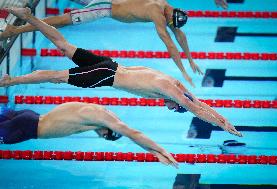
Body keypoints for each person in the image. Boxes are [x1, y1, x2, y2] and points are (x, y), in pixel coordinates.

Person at [0, 7, 242, 137]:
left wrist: (223, 118)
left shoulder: (173, 83)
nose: (169, 108)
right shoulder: (169, 91)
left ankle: (28, 18)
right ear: (175, 103)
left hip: (111, 64)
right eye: (174, 108)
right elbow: (195, 108)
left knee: (64, 46)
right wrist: (222, 125)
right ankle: (11, 81)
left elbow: (196, 101)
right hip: (106, 74)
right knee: (56, 77)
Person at [0, 0, 228, 86]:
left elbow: (179, 36)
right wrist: (184, 73)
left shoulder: (167, 9)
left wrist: (190, 61)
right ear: (170, 16)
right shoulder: (157, 12)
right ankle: (17, 27)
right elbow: (168, 42)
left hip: (107, 6)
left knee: (62, 22)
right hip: (105, 8)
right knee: (61, 22)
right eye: (171, 22)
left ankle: (18, 26)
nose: (170, 25)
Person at [0, 103, 178, 168]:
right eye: (106, 137)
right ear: (108, 131)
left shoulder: (98, 112)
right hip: (27, 127)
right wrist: (158, 152)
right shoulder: (101, 118)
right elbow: (133, 133)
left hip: (28, 116)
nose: (101, 137)